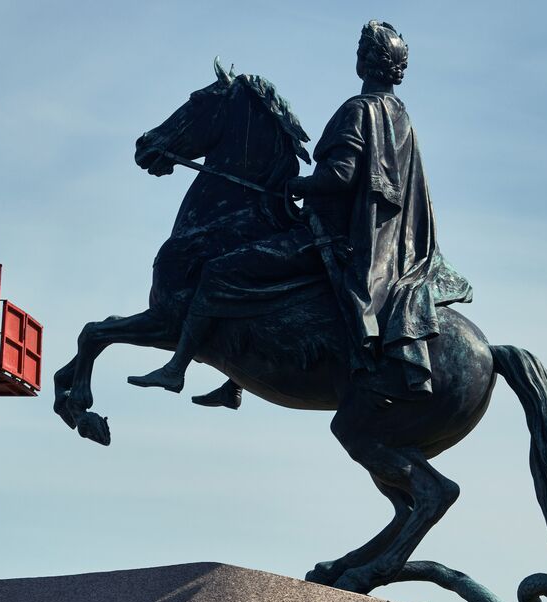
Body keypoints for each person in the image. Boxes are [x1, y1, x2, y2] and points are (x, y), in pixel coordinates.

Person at [129, 20, 471, 397]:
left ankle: (177, 368)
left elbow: (341, 175)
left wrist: (298, 184)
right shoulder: (400, 116)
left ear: (363, 63)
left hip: (329, 238)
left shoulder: (358, 110)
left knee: (220, 272)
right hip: (376, 244)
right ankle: (234, 382)